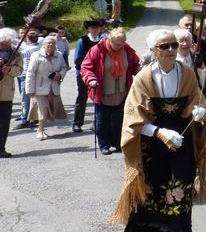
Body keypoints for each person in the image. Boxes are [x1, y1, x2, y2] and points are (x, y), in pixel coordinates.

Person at [110, 29, 206, 232]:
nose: (171, 50)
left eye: (173, 45)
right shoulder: (143, 78)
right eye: (164, 46)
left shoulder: (187, 73)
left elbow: (197, 100)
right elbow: (133, 118)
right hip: (152, 142)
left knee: (180, 189)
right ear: (153, 51)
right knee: (150, 188)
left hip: (181, 140)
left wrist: (199, 112)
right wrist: (159, 132)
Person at [81, 27, 139, 155]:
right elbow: (85, 67)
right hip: (103, 92)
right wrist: (91, 79)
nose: (119, 47)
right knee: (102, 121)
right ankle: (104, 145)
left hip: (121, 92)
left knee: (119, 120)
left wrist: (142, 73)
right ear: (109, 39)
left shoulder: (127, 50)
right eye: (116, 44)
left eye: (121, 44)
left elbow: (136, 65)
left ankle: (118, 143)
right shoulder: (98, 50)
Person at [26, 35, 68, 140]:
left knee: (49, 111)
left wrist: (60, 75)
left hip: (53, 87)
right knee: (43, 110)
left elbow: (64, 67)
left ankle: (42, 128)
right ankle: (40, 131)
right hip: (39, 88)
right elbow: (30, 73)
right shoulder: (36, 55)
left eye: (52, 43)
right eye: (48, 43)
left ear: (55, 45)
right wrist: (30, 90)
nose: (50, 44)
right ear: (43, 44)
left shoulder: (59, 55)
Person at [72, 19, 103, 133]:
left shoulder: (102, 41)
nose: (95, 29)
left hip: (99, 74)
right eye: (92, 27)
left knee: (99, 98)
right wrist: (87, 71)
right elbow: (77, 60)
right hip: (83, 73)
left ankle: (97, 122)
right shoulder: (82, 40)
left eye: (96, 27)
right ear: (88, 29)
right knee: (82, 97)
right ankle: (77, 123)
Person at [0, 28, 24, 157]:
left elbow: (20, 70)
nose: (4, 46)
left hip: (6, 92)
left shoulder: (16, 51)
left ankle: (1, 148)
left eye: (7, 43)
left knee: (4, 122)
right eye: (2, 43)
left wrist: (9, 70)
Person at [15, 27, 41, 128]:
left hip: (26, 76)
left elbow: (17, 55)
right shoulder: (38, 48)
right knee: (33, 98)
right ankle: (32, 117)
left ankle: (24, 119)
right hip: (33, 75)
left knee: (25, 99)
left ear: (27, 39)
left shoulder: (28, 50)